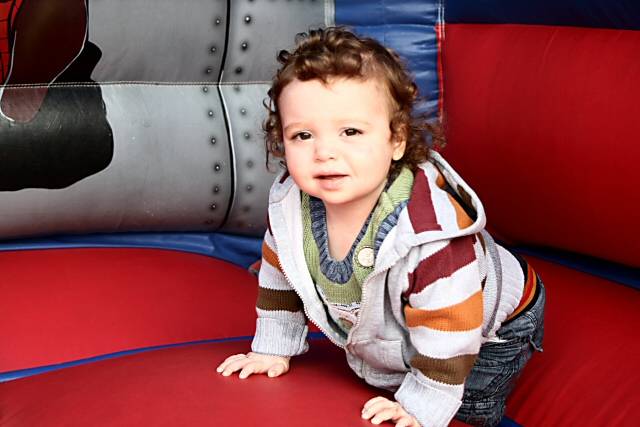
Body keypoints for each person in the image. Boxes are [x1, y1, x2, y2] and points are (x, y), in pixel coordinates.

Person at [217, 27, 545, 427]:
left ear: (396, 140)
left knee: (464, 406)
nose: (325, 152)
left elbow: (451, 330)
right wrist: (273, 347)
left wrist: (422, 405)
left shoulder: (431, 234)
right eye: (302, 135)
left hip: (488, 320)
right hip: (413, 317)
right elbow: (280, 277)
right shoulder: (290, 206)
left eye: (350, 132)